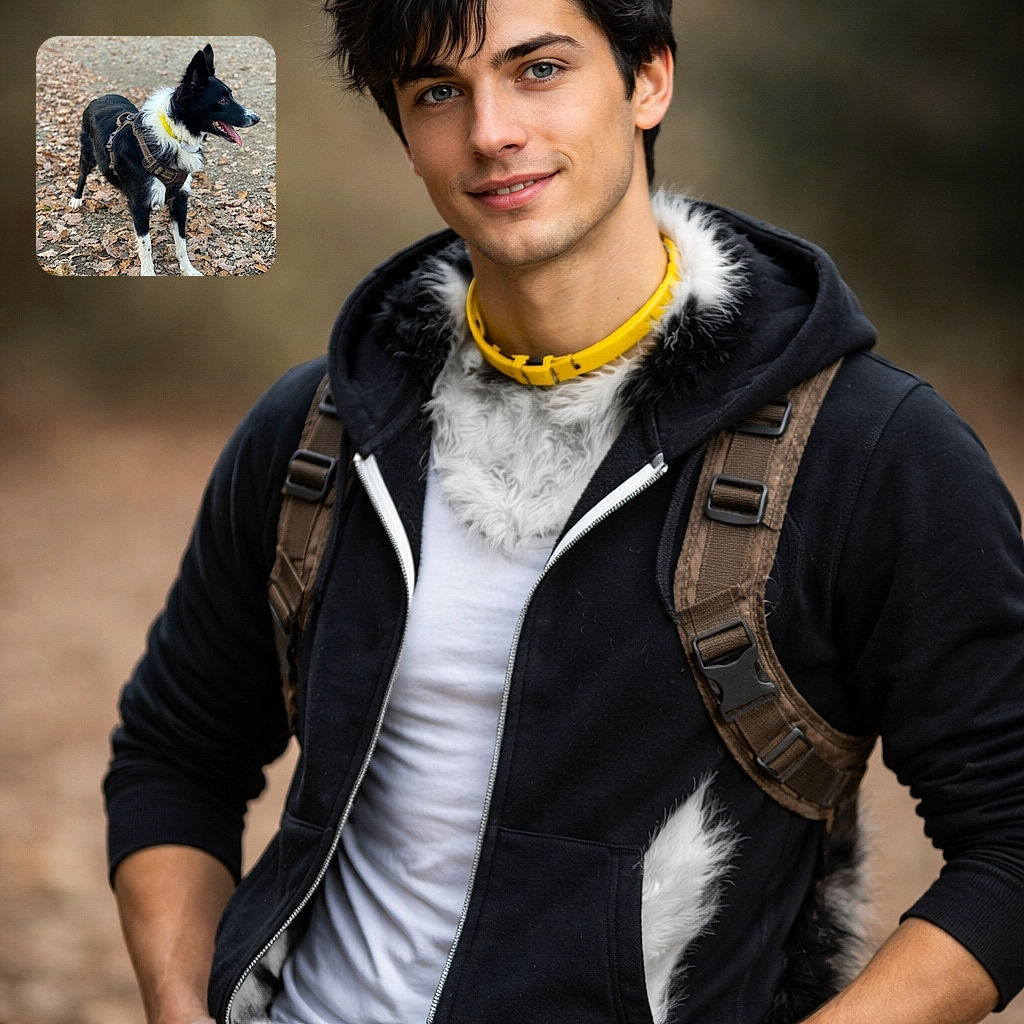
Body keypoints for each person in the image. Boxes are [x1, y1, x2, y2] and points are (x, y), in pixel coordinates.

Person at [103, 0, 1024, 1021]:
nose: (491, 131)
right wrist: (182, 1004)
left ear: (648, 79)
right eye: (438, 92)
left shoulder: (872, 451)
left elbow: (1010, 844)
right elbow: (175, 755)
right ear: (404, 132)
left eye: (538, 69)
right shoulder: (319, 431)